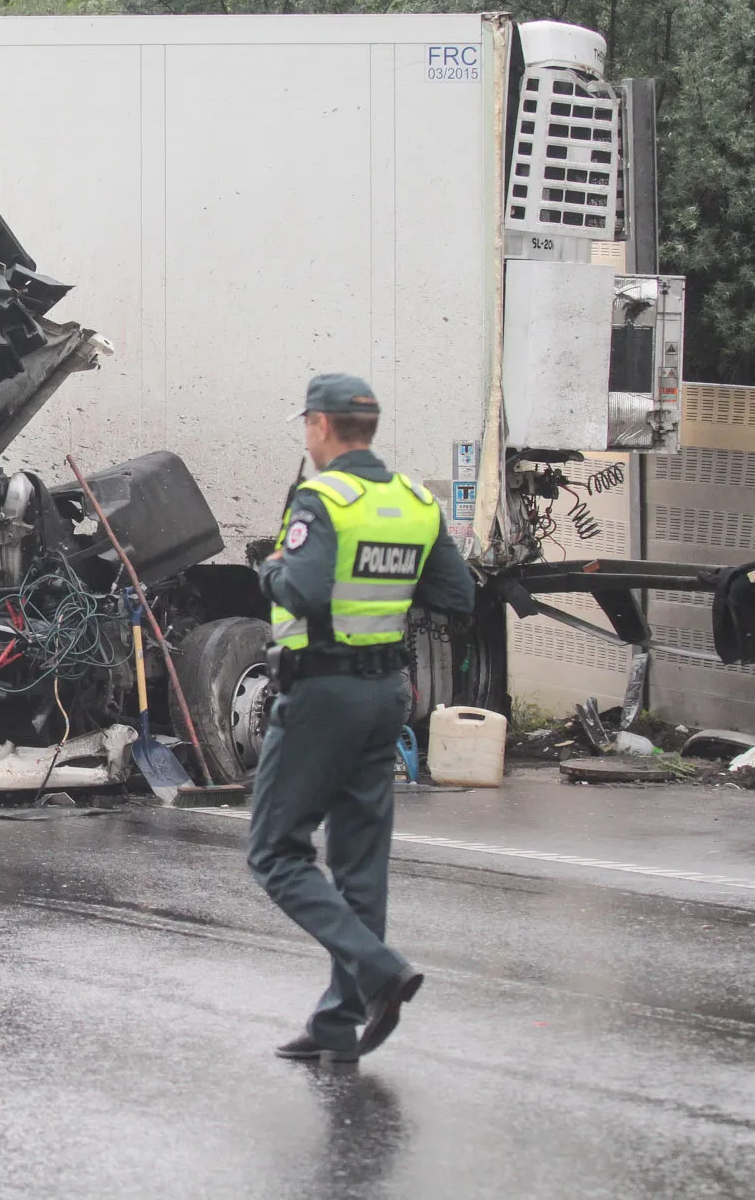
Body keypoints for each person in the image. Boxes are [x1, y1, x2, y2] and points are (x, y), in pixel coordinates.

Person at [250, 373, 475, 1063]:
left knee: (276, 853)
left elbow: (304, 590)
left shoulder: (322, 498)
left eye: (306, 426)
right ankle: (338, 1024)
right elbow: (456, 594)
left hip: (322, 693)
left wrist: (270, 566)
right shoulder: (414, 500)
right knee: (360, 864)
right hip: (386, 694)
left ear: (320, 426)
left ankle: (378, 971)